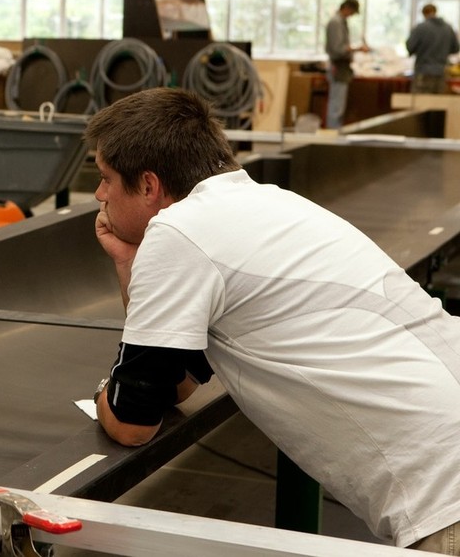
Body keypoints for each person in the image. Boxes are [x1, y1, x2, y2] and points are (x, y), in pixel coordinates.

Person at [87, 87, 460, 553]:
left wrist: (105, 394)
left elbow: (132, 422)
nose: (99, 194)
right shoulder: (271, 203)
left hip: (447, 491)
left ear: (148, 185)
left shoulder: (178, 231)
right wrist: (128, 261)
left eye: (105, 178)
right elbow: (177, 382)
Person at [323, 0, 369, 130]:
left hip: (343, 66)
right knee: (336, 105)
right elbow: (338, 48)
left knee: (339, 104)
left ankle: (336, 130)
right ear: (347, 8)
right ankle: (333, 133)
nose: (352, 15)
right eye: (352, 12)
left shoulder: (341, 22)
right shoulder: (336, 22)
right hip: (338, 65)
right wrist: (357, 48)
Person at [406, 3, 459, 94]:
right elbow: (455, 48)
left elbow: (410, 47)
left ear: (424, 14)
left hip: (423, 72)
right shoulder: (448, 28)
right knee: (438, 101)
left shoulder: (421, 28)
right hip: (442, 72)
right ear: (435, 11)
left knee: (421, 100)